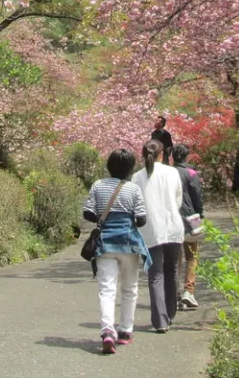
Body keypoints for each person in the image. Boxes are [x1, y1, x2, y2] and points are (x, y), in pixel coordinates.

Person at [83, 148, 151, 355]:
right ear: (131, 168)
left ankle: (107, 331)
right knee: (130, 289)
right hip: (129, 243)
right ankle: (125, 332)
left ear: (109, 166)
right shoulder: (133, 189)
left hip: (105, 244)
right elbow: (141, 219)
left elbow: (88, 213)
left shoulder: (98, 185)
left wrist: (102, 219)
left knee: (107, 288)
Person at [131, 139, 184, 332]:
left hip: (150, 230)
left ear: (143, 155)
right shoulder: (172, 172)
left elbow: (136, 207)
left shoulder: (137, 178)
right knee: (172, 271)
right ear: (163, 154)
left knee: (155, 275)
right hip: (173, 227)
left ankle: (161, 321)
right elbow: (178, 200)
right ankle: (169, 314)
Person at [172, 143, 204, 311]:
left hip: (172, 218)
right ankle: (188, 291)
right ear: (187, 156)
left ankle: (175, 292)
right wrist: (200, 214)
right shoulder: (191, 173)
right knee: (192, 255)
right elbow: (198, 196)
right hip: (192, 216)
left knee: (175, 257)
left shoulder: (168, 173)